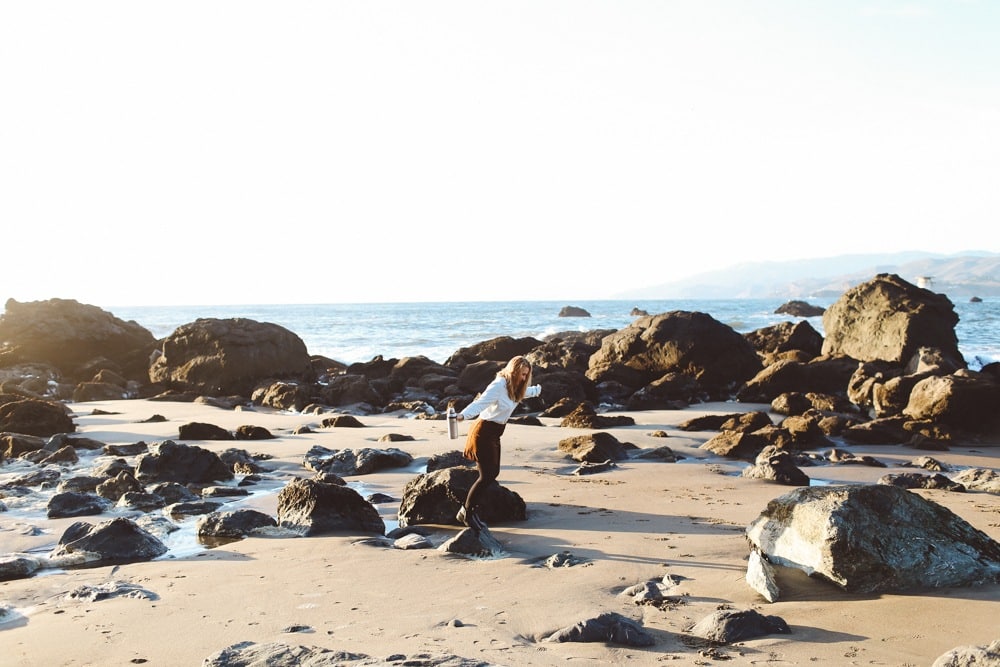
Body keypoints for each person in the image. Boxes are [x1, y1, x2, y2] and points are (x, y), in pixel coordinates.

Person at [453, 355, 541, 531]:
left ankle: (470, 511)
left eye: (526, 375)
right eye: (521, 374)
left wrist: (537, 390)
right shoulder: (499, 385)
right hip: (483, 432)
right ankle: (466, 512)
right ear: (512, 371)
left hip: (495, 434)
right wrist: (462, 415)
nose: (523, 378)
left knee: (493, 473)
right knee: (487, 475)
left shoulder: (517, 387)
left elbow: (524, 393)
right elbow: (480, 403)